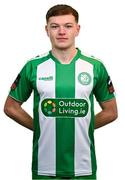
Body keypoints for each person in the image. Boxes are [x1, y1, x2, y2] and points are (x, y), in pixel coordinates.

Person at [4, 4, 118, 180]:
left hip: (83, 168)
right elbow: (11, 107)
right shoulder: (33, 67)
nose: (61, 32)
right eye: (55, 26)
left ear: (77, 29)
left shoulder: (95, 67)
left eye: (68, 26)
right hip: (44, 167)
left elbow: (111, 112)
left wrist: (83, 125)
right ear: (46, 30)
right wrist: (38, 127)